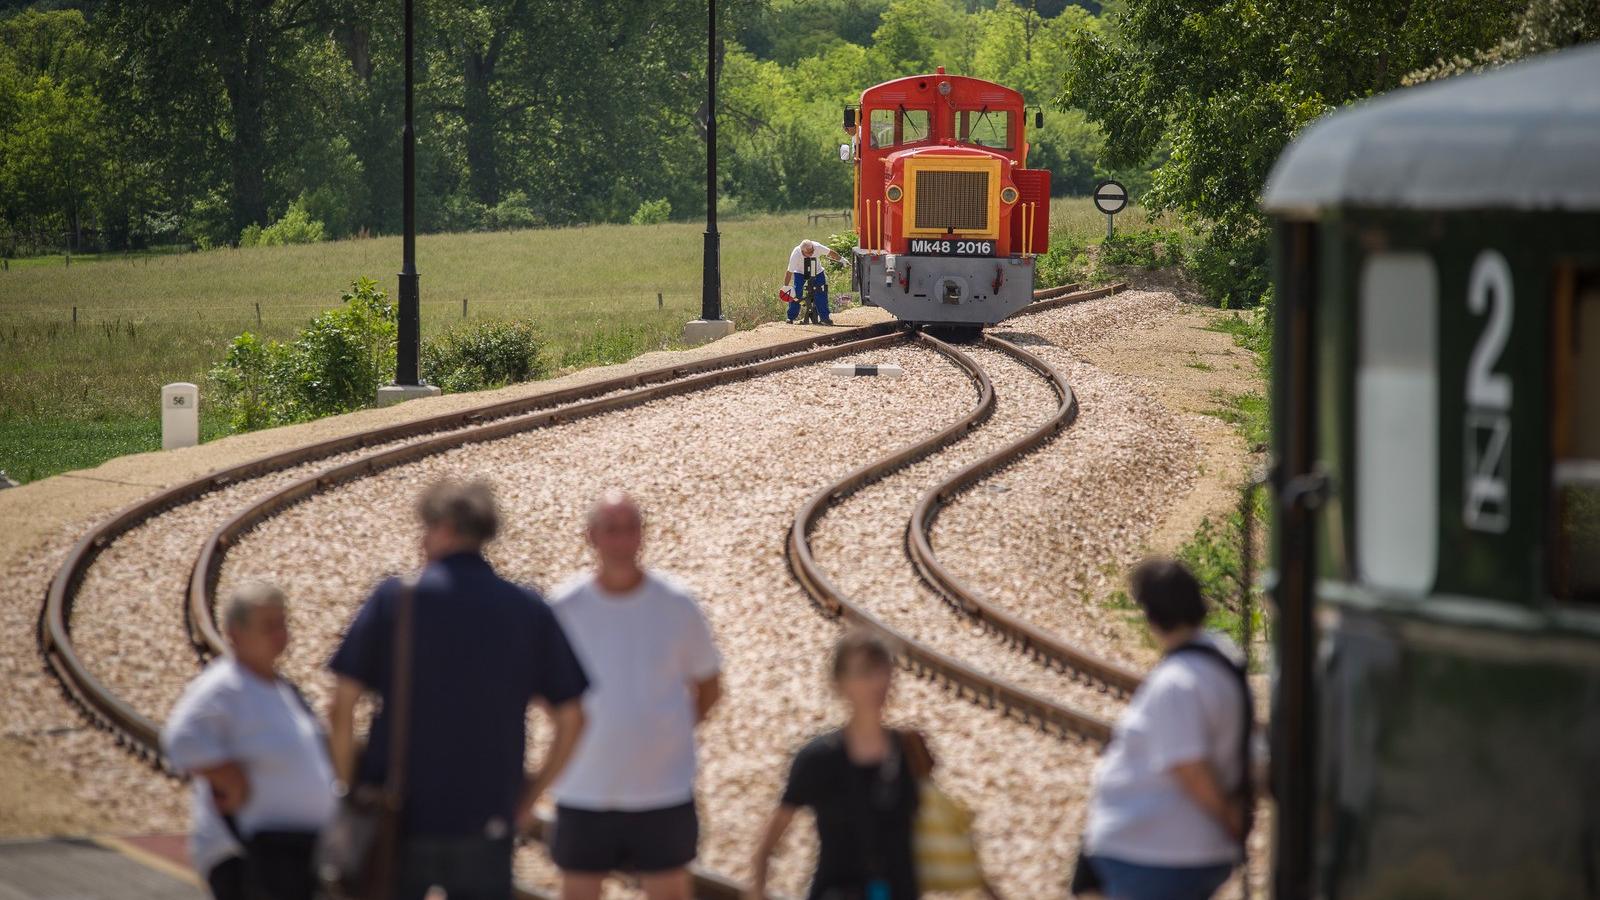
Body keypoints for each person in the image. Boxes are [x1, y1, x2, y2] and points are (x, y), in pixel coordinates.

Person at [328, 479, 589, 900]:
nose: (422, 539)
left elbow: (342, 704)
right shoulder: (526, 608)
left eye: (426, 528)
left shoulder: (397, 600)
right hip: (488, 815)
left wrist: (347, 788)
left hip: (399, 816)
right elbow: (572, 718)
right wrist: (530, 798)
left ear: (445, 528)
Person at [548, 491, 724, 900]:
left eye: (630, 530)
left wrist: (669, 731)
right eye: (611, 531)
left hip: (662, 787)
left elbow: (710, 685)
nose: (622, 541)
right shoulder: (564, 607)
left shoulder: (677, 603)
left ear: (642, 535)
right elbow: (544, 690)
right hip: (584, 786)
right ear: (592, 537)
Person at [1076, 558, 1254, 900]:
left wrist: (1230, 819)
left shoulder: (1178, 682)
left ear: (1150, 616)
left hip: (1157, 851)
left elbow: (1188, 765)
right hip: (1153, 844)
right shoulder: (1221, 655)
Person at [162, 581, 336, 900]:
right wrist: (229, 777)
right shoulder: (224, 686)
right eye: (268, 626)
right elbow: (180, 739)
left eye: (282, 623)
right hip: (249, 853)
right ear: (235, 633)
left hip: (292, 853)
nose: (279, 634)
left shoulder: (281, 689)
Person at [748, 630, 927, 900]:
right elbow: (769, 842)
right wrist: (757, 890)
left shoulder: (911, 750)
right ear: (840, 683)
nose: (877, 681)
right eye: (865, 672)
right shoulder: (819, 759)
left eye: (882, 670)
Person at [785, 239, 845, 325]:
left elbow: (830, 252)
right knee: (796, 292)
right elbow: (789, 272)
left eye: (812, 251)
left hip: (817, 271)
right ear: (802, 251)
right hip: (800, 272)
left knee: (821, 291)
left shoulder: (817, 246)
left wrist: (842, 259)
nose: (812, 253)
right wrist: (786, 287)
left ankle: (824, 318)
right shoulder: (796, 254)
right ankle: (790, 317)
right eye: (809, 252)